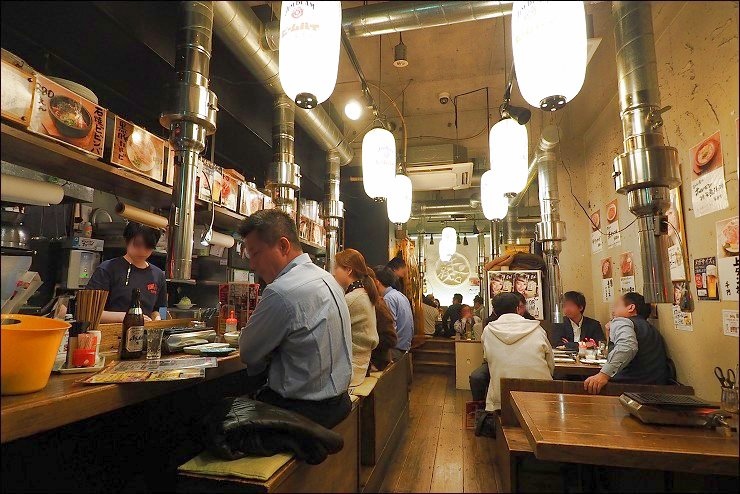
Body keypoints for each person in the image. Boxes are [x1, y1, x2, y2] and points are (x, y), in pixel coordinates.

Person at [237, 209, 353, 428]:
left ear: (283, 246)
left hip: (302, 412)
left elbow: (248, 352)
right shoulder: (329, 280)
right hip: (338, 403)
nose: (252, 265)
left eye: (255, 254)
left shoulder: (281, 291)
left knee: (214, 417)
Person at [584, 292, 669, 395]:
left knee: (585, 384)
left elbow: (627, 347)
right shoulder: (650, 328)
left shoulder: (622, 321)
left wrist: (603, 375)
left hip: (628, 389)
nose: (613, 311)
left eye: (617, 306)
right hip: (657, 389)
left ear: (631, 308)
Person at [482, 292, 554, 411]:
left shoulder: (488, 331)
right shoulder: (537, 328)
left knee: (494, 384)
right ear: (517, 308)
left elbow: (487, 358)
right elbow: (550, 363)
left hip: (502, 400)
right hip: (541, 397)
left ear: (494, 311)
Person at [87, 222, 166, 323]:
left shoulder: (158, 275)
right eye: (138, 245)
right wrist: (127, 317)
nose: (142, 250)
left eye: (148, 246)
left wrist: (158, 319)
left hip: (145, 331)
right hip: (112, 331)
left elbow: (160, 309)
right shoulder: (107, 269)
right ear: (127, 240)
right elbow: (88, 312)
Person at [469, 292, 534, 402]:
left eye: (523, 307)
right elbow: (487, 355)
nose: (521, 310)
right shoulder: (491, 323)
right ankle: (479, 406)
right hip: (497, 361)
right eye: (519, 307)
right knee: (477, 377)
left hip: (523, 361)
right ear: (516, 308)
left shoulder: (532, 322)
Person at [333, 249, 380, 388]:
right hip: (359, 369)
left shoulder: (352, 298)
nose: (334, 272)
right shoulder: (363, 293)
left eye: (336, 267)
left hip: (350, 372)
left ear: (348, 270)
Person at [372, 265, 413, 360]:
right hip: (404, 348)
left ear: (376, 282)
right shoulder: (400, 295)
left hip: (394, 350)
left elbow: (390, 328)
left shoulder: (388, 298)